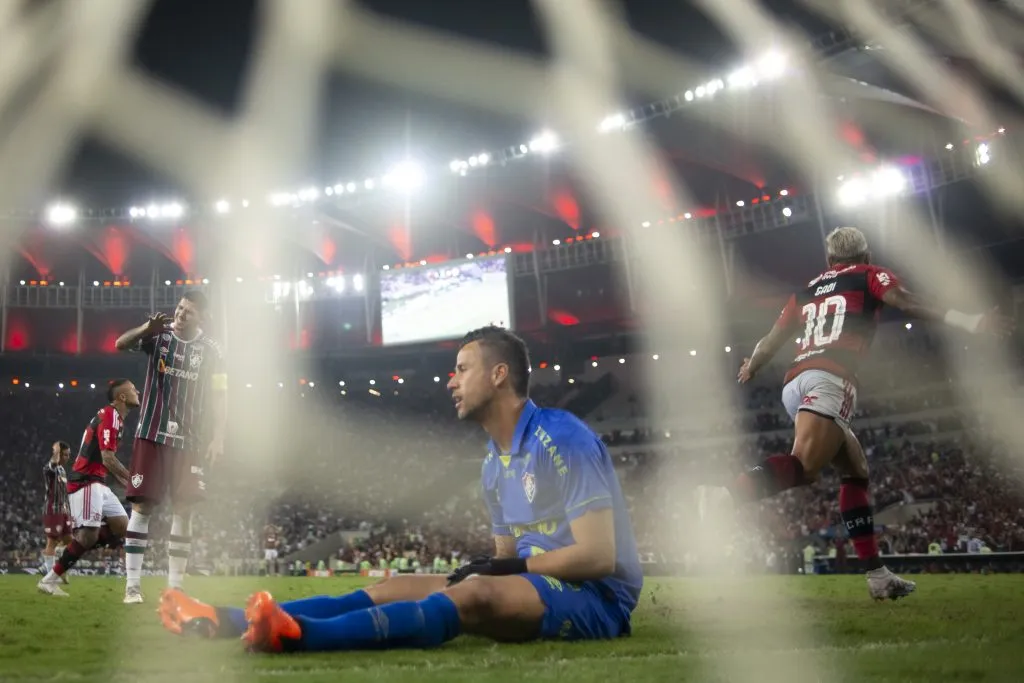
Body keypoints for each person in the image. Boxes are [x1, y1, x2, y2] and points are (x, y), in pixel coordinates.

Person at [159, 325, 643, 653]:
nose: (451, 382)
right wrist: (498, 568)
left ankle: (296, 635)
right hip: (538, 586)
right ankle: (221, 618)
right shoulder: (493, 465)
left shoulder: (562, 437)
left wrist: (507, 568)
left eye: (462, 368)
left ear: (499, 375)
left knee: (474, 595)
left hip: (595, 598)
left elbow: (599, 557)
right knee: (391, 588)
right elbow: (504, 562)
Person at [700, 226, 1012, 600]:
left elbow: (772, 338)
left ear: (830, 261)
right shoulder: (869, 275)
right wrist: (971, 321)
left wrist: (752, 366)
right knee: (806, 468)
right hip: (829, 379)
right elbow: (907, 302)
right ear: (864, 256)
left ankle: (877, 576)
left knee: (856, 471)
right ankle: (722, 496)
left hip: (795, 382)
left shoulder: (807, 289)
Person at [114, 291, 227, 604]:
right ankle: (132, 587)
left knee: (184, 510)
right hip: (151, 434)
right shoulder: (159, 337)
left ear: (201, 317)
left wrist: (219, 436)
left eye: (187, 312)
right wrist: (145, 328)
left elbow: (220, 396)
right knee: (142, 508)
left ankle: (175, 589)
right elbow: (120, 344)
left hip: (189, 442)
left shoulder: (213, 352)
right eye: (179, 308)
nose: (179, 315)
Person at [37, 379, 140, 596]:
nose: (137, 391)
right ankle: (50, 579)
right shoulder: (111, 414)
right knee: (88, 538)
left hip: (97, 481)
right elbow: (108, 458)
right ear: (121, 397)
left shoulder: (115, 418)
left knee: (123, 526)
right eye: (132, 390)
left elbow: (105, 460)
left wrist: (123, 480)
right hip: (85, 482)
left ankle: (74, 546)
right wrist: (130, 479)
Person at [41, 441, 73, 578]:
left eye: (68, 455)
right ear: (58, 454)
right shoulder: (51, 468)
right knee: (51, 542)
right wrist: (56, 451)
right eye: (64, 454)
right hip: (53, 510)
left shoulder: (62, 470)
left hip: (63, 510)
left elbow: (64, 492)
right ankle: (49, 576)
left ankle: (50, 561)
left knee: (69, 539)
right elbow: (52, 464)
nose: (67, 457)